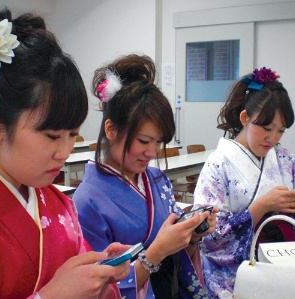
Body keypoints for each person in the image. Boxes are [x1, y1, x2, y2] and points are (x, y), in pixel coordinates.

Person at [0, 9, 130, 298]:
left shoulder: (56, 201)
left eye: (73, 134)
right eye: (52, 136)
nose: (65, 151)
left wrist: (97, 274)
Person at [72, 54, 218, 299]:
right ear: (111, 129)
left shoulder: (156, 178)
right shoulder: (87, 201)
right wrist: (154, 254)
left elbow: (178, 254)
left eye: (158, 142)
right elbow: (96, 288)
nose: (152, 152)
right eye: (143, 141)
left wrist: (192, 236)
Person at [192, 67, 295, 298]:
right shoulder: (218, 164)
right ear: (245, 118)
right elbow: (208, 234)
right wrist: (261, 206)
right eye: (267, 128)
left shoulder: (285, 159)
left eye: (281, 130)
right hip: (236, 272)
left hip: (284, 261)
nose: (273, 138)